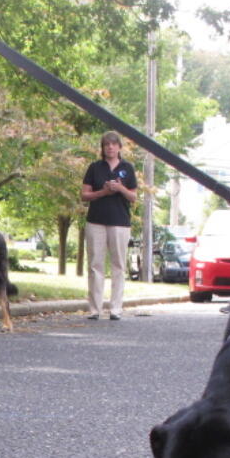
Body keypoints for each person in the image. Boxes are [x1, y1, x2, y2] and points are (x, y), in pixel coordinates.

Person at [80, 131, 138, 320]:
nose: (110, 148)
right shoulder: (95, 168)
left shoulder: (127, 168)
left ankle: (116, 308)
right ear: (103, 148)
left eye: (113, 144)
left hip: (120, 222)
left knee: (118, 265)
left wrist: (120, 188)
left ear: (119, 147)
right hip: (96, 220)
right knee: (95, 265)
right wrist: (103, 192)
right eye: (106, 145)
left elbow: (133, 197)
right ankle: (95, 309)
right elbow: (84, 195)